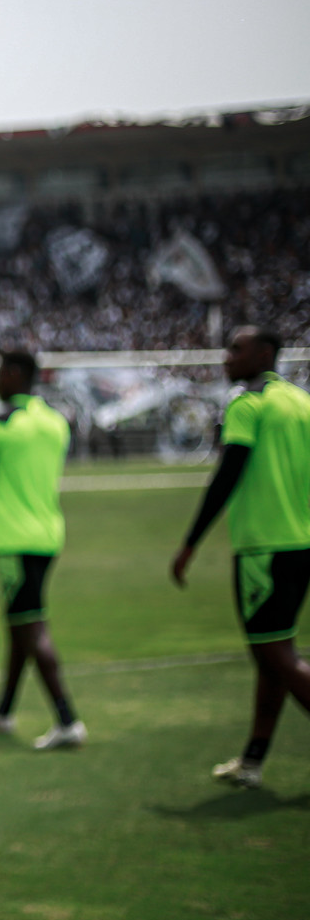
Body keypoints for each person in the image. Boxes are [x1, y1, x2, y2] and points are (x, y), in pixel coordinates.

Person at [171, 328, 310, 789]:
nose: (226, 356)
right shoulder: (299, 401)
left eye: (236, 348)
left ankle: (252, 761)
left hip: (262, 547)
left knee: (277, 655)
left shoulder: (245, 404)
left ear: (265, 354)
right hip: (299, 543)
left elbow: (227, 475)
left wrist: (190, 542)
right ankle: (252, 761)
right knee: (272, 654)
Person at [0, 351, 85, 750]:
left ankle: (67, 720)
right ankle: (5, 709)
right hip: (49, 533)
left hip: (14, 538)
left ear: (15, 375)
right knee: (19, 624)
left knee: (31, 626)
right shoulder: (54, 421)